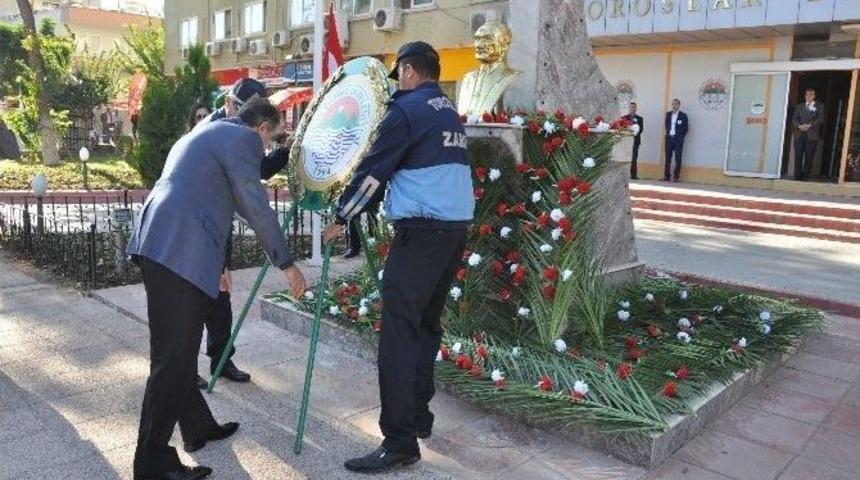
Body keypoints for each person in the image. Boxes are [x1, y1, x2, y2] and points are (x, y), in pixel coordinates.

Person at [128, 98, 307, 480]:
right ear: (260, 128)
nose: (266, 150)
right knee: (172, 360)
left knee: (175, 354)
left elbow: (214, 199)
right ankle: (152, 462)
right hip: (178, 248)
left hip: (165, 243)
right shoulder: (242, 141)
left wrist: (218, 264)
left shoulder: (209, 130)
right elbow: (255, 206)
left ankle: (197, 427)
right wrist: (287, 264)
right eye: (271, 140)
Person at [323, 41, 475, 474]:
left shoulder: (407, 110)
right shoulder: (448, 112)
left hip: (422, 231)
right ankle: (419, 417)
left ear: (408, 71)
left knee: (398, 333)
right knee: (425, 324)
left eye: (399, 76)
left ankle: (399, 440)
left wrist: (342, 216)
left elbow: (374, 171)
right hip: (452, 232)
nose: (398, 84)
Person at [192, 79, 291, 389]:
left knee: (219, 298)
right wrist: (286, 263)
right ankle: (181, 367)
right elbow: (254, 202)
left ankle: (220, 359)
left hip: (213, 223)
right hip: (195, 228)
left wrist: (284, 152)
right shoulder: (222, 132)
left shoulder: (232, 130)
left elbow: (256, 170)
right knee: (196, 298)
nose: (263, 143)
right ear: (235, 106)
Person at [792, 87, 825, 181]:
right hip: (799, 135)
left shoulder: (820, 106)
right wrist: (799, 126)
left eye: (811, 94)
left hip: (812, 136)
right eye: (807, 94)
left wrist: (809, 125)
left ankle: (805, 177)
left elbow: (820, 119)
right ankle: (797, 177)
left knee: (809, 157)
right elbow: (794, 119)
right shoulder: (799, 106)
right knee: (798, 156)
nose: (809, 96)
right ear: (805, 96)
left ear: (814, 96)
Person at [664, 98, 689, 182]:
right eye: (673, 104)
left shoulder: (683, 115)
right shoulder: (668, 114)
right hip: (669, 139)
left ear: (679, 105)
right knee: (668, 158)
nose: (674, 106)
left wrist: (680, 137)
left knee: (678, 159)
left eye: (676, 104)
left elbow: (685, 129)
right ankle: (666, 176)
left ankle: (676, 176)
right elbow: (666, 125)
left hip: (678, 140)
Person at [623, 102, 643, 179]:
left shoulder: (639, 119)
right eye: (631, 107)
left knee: (634, 158)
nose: (632, 109)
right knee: (625, 158)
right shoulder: (624, 118)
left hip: (635, 141)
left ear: (636, 108)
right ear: (628, 108)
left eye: (634, 107)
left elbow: (641, 129)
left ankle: (633, 175)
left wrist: (633, 129)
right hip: (625, 141)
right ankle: (624, 174)